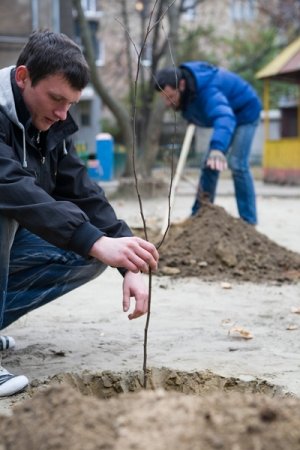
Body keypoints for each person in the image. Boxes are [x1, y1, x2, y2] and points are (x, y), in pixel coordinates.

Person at [0, 30, 159, 397]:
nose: (62, 113)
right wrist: (95, 239)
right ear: (23, 77)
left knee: (86, 253)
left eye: (70, 104)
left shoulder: (49, 123)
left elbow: (83, 193)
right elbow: (10, 186)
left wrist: (126, 259)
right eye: (56, 99)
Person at [155, 62, 262, 225]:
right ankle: (199, 216)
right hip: (227, 116)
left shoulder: (208, 90)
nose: (168, 103)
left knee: (237, 164)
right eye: (165, 98)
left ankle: (248, 221)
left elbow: (224, 117)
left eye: (170, 97)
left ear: (181, 85)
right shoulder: (187, 93)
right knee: (209, 165)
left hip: (245, 113)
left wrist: (217, 148)